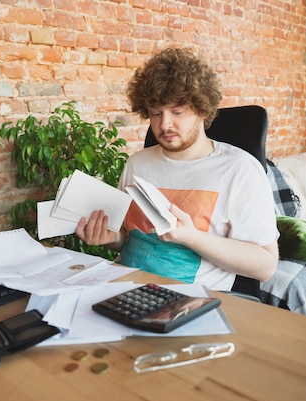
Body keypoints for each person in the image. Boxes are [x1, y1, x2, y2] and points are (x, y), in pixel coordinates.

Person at [76, 47, 278, 291]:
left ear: (202, 110)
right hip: (123, 288)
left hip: (192, 299)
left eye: (177, 112)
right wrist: (111, 239)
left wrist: (192, 237)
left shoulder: (240, 170)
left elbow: (266, 266)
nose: (164, 124)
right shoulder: (137, 163)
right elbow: (134, 241)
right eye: (156, 113)